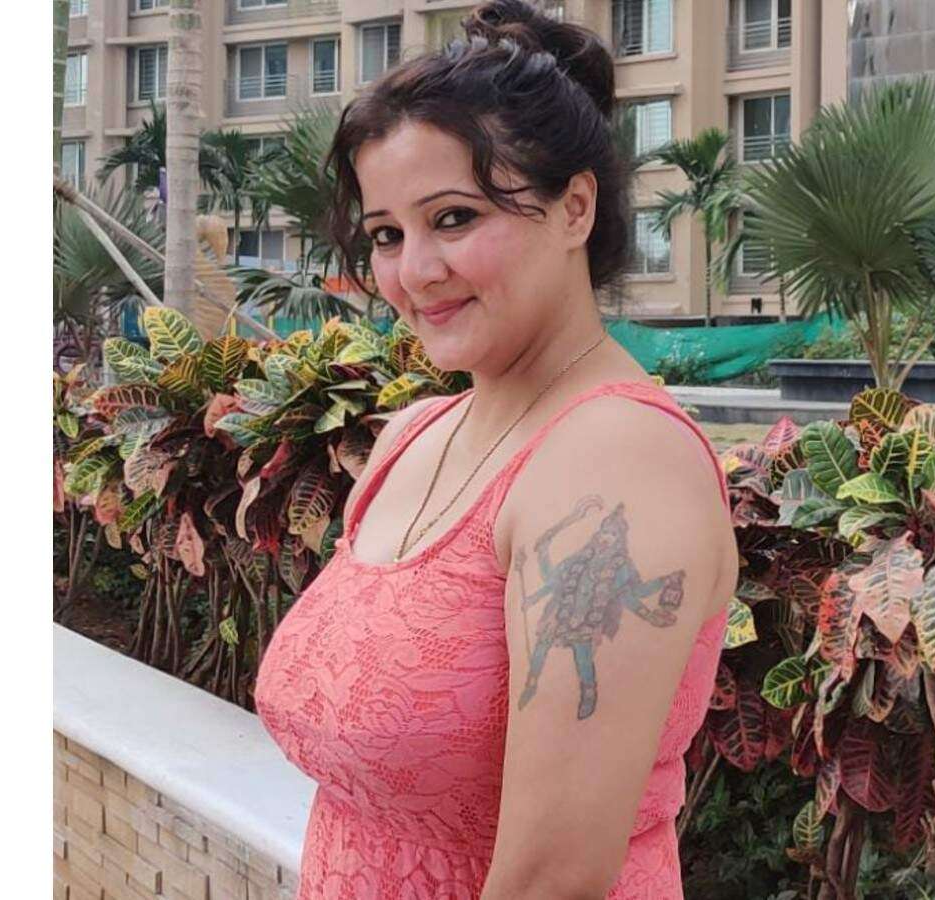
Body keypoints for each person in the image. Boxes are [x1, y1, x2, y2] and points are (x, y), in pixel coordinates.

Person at [255, 2, 739, 896]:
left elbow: (554, 877)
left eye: (453, 218)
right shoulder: (415, 437)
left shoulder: (619, 461)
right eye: (388, 234)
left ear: (574, 208)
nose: (415, 271)